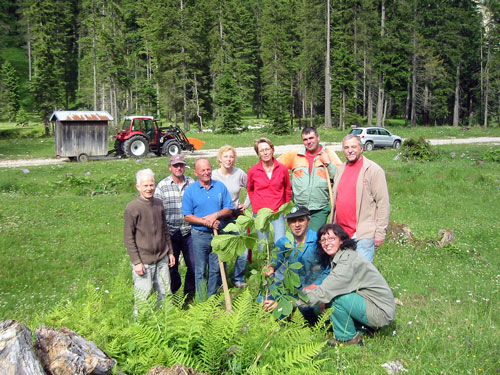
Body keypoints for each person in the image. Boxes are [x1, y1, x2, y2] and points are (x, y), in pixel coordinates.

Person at [294, 224, 395, 346]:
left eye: (331, 238)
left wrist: (290, 304)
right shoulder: (340, 257)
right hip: (371, 304)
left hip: (380, 311)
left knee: (335, 299)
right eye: (323, 240)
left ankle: (348, 338)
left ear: (341, 240)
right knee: (321, 305)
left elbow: (324, 293)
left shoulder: (347, 261)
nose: (327, 243)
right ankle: (363, 328)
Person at [262, 206, 327, 324]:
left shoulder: (319, 240)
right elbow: (276, 259)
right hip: (292, 288)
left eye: (301, 220)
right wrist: (271, 267)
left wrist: (316, 284)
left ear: (308, 221)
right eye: (292, 221)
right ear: (288, 223)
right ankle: (282, 317)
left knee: (311, 311)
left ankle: (294, 317)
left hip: (314, 290)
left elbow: (329, 268)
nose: (296, 224)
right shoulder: (284, 242)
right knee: (265, 298)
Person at [124, 168, 175, 315]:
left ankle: (165, 325)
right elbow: (128, 237)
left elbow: (165, 229)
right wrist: (136, 262)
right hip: (144, 261)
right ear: (138, 187)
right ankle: (140, 329)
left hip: (162, 259)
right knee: (143, 297)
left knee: (165, 294)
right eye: (145, 185)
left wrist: (170, 252)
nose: (149, 188)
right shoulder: (132, 208)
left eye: (151, 185)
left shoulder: (158, 204)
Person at [331, 134, 390, 261]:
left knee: (361, 275)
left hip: (363, 234)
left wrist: (380, 233)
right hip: (342, 234)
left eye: (353, 146)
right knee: (344, 273)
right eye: (346, 147)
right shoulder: (340, 169)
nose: (350, 150)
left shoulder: (373, 170)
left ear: (361, 148)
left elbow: (383, 203)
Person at [182, 158, 233, 297]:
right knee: (200, 269)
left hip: (218, 234)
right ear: (196, 173)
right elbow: (187, 215)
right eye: (202, 170)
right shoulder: (190, 191)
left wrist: (216, 215)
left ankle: (212, 298)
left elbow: (229, 208)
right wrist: (206, 222)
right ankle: (201, 299)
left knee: (216, 268)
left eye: (208, 169)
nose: (206, 172)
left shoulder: (220, 187)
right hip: (199, 235)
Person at [279, 127, 342, 231]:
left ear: (318, 138)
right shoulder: (295, 155)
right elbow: (274, 166)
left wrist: (328, 163)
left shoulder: (329, 154)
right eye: (305, 139)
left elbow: (340, 177)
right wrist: (288, 183)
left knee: (312, 238)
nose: (308, 142)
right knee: (299, 239)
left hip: (319, 208)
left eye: (311, 138)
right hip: (299, 207)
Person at [154, 154, 196, 299]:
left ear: (185, 167)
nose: (179, 168)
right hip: (170, 232)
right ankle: (173, 293)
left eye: (181, 165)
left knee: (193, 265)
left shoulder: (192, 183)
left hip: (188, 230)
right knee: (171, 266)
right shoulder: (162, 185)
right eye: (175, 165)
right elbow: (156, 210)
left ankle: (189, 295)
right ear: (170, 167)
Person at [212, 145, 251, 288]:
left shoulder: (239, 173)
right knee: (223, 249)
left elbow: (251, 189)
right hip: (220, 216)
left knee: (243, 250)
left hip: (236, 215)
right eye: (226, 156)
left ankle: (238, 278)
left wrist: (246, 204)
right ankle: (221, 281)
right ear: (220, 159)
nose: (229, 159)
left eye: (231, 157)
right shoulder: (214, 176)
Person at [247, 137, 291, 246]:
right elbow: (250, 189)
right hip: (260, 213)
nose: (265, 153)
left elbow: (287, 189)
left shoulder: (282, 169)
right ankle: (265, 263)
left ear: (272, 150)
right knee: (263, 245)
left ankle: (278, 263)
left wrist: (285, 207)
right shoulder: (253, 170)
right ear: (258, 154)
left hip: (277, 212)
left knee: (280, 243)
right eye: (261, 150)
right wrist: (255, 205)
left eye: (267, 149)